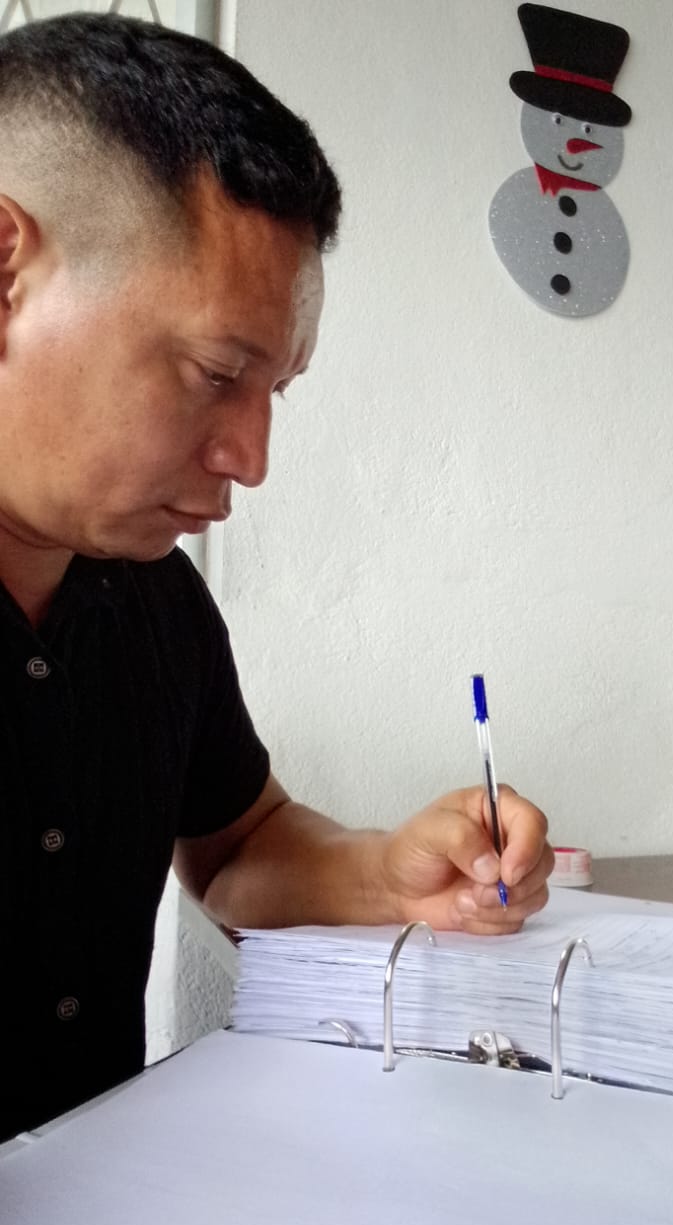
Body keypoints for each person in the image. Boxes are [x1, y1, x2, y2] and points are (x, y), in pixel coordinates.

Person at [0, 13, 553, 1142]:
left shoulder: (152, 594)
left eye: (275, 393)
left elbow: (237, 846)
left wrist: (391, 875)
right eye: (216, 373)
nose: (250, 459)